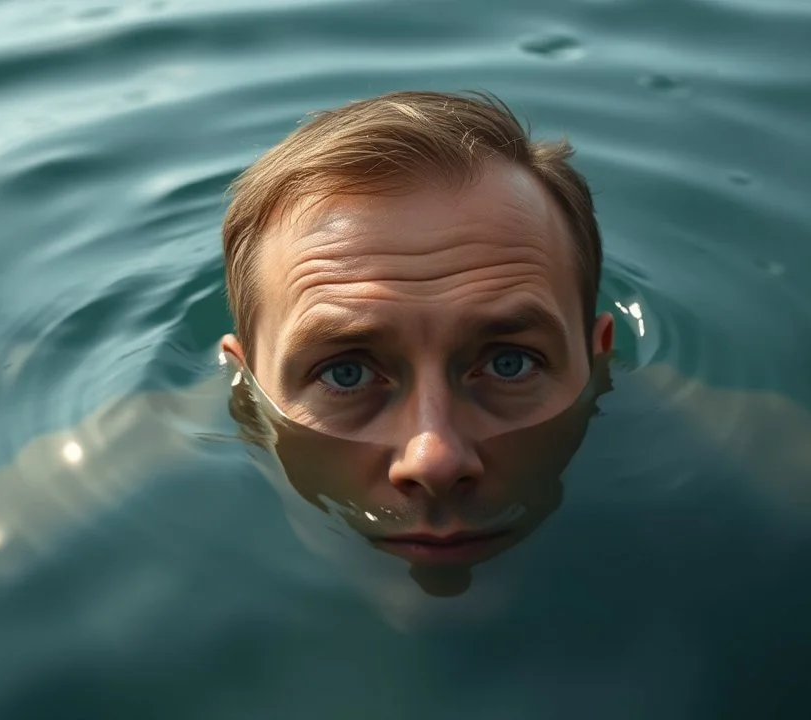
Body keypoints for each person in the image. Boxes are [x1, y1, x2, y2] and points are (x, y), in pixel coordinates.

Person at [217, 91, 615, 578]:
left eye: (509, 363)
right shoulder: (110, 470)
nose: (434, 462)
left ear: (600, 359)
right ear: (245, 382)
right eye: (346, 373)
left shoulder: (731, 447)